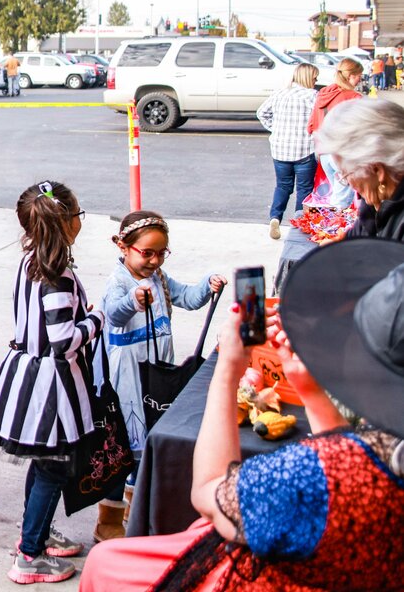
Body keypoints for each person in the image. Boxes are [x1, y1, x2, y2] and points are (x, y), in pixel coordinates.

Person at [80, 237, 404, 591]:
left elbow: (209, 492)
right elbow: (350, 452)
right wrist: (310, 390)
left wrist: (228, 368)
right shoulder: (383, 453)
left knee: (104, 563)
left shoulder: (314, 477)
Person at [0, 181, 104, 585]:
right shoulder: (58, 275)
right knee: (53, 468)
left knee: (43, 463)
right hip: (51, 388)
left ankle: (35, 533)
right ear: (68, 223)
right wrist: (95, 320)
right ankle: (30, 555)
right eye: (79, 216)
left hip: (28, 374)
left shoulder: (31, 260)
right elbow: (63, 342)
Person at [94, 211, 227, 541]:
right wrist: (133, 300)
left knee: (150, 440)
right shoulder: (119, 282)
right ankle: (108, 519)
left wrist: (207, 285)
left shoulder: (160, 278)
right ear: (123, 247)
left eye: (161, 253)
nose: (154, 260)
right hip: (127, 379)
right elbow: (113, 312)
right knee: (125, 446)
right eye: (147, 253)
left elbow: (189, 298)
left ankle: (135, 505)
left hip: (155, 376)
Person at [315, 97, 404, 240]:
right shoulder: (375, 202)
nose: (349, 183)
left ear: (377, 170)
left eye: (345, 174)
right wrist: (341, 247)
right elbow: (357, 239)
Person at [256, 63, 319, 239]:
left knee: (283, 186)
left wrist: (275, 128)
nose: (316, 81)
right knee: (305, 188)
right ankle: (300, 224)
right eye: (314, 77)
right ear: (308, 77)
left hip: (280, 149)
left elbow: (261, 113)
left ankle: (275, 218)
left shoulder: (279, 93)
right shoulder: (313, 96)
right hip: (304, 149)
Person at [307, 57, 363, 209]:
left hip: (324, 152)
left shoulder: (323, 94)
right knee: (341, 204)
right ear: (351, 75)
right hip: (342, 153)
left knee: (337, 197)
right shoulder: (354, 97)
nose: (360, 79)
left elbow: (311, 125)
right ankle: (335, 231)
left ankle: (333, 229)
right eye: (359, 75)